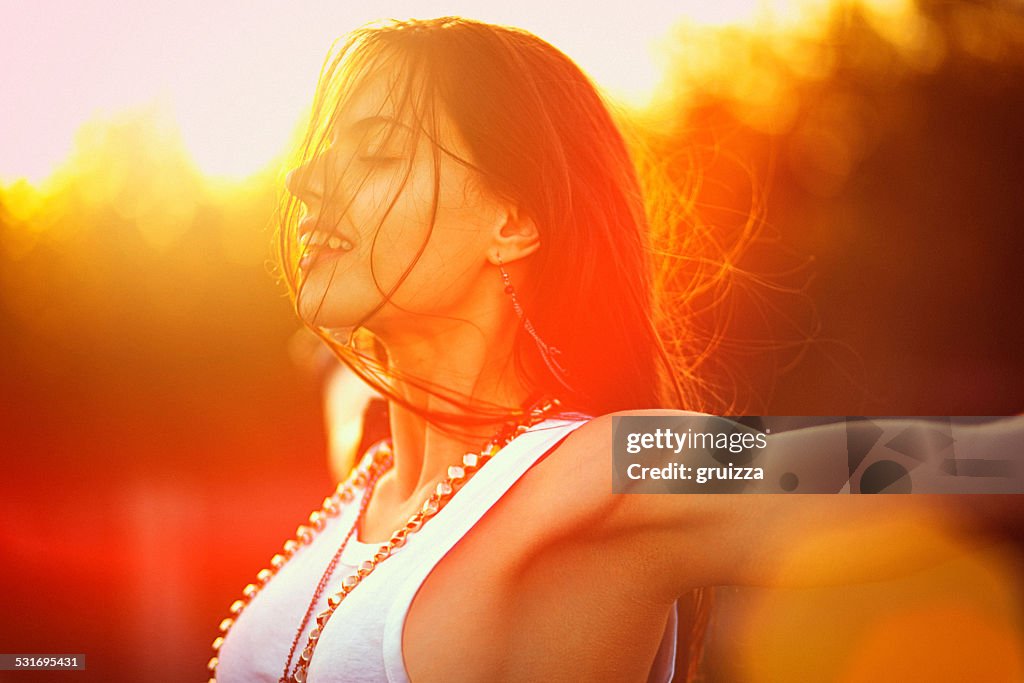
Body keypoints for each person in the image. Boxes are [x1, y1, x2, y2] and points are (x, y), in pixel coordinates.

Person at [210, 17, 1023, 682]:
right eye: (320, 152)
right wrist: (329, 367)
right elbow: (347, 404)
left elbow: (948, 462)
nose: (303, 180)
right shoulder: (376, 462)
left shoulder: (610, 468)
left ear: (514, 223)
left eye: (380, 151)